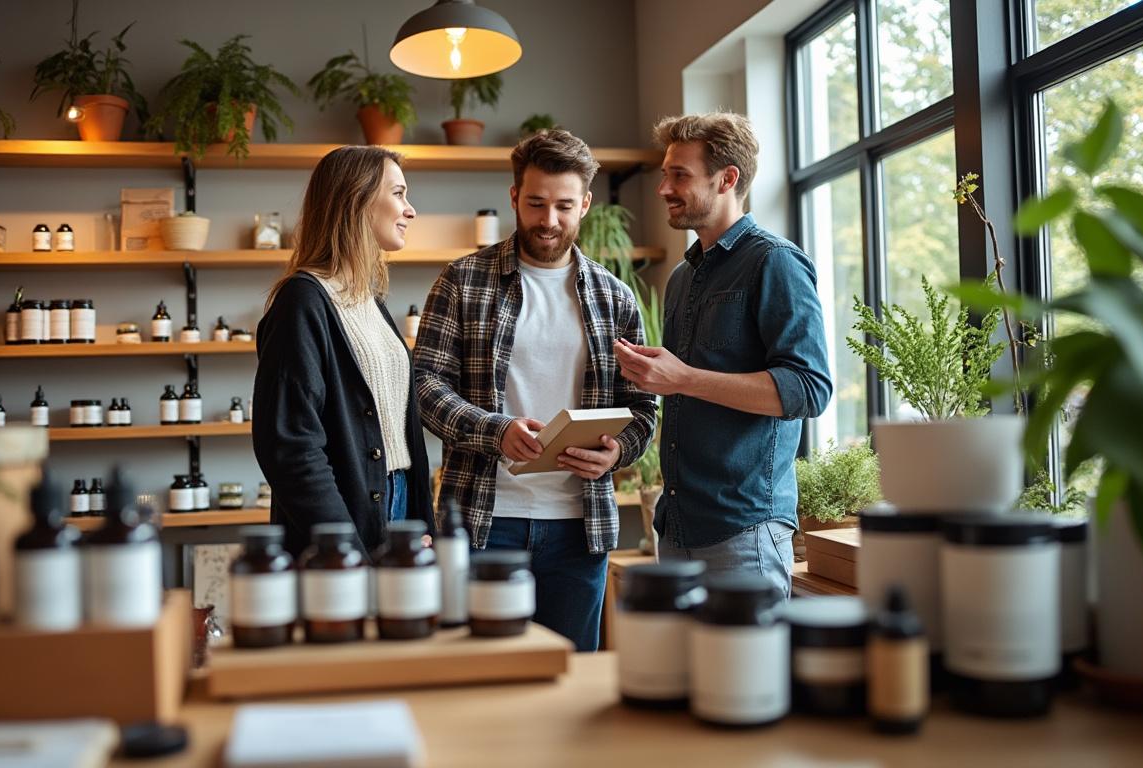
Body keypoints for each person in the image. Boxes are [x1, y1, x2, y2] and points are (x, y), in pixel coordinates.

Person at [414, 129, 657, 651]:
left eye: (564, 206)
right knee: (480, 673)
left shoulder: (615, 299)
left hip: (580, 529)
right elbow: (425, 386)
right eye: (536, 203)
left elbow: (642, 407)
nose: (549, 220)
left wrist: (617, 452)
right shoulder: (462, 281)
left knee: (571, 678)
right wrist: (496, 431)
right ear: (514, 197)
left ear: (585, 204)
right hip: (483, 522)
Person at [614, 112, 832, 600]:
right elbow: (681, 383)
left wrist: (683, 378)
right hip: (676, 528)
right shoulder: (682, 278)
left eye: (679, 175)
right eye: (665, 174)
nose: (663, 188)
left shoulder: (775, 261)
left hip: (744, 532)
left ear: (727, 179)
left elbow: (808, 389)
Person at [253, 146, 433, 559]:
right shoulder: (303, 301)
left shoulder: (371, 300)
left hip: (399, 506)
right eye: (398, 194)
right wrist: (344, 551)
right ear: (358, 200)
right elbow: (290, 447)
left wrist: (416, 522)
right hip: (345, 523)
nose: (410, 210)